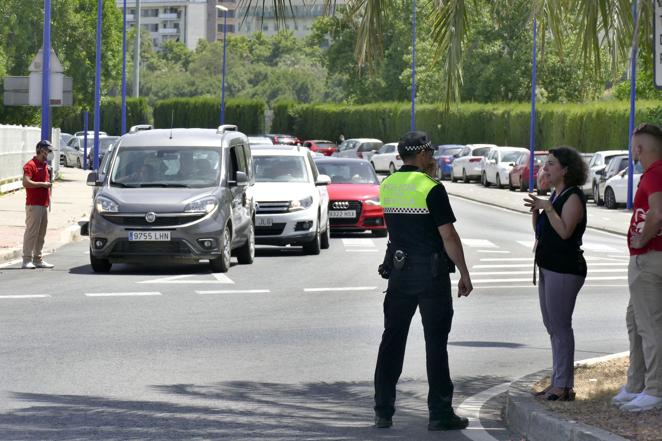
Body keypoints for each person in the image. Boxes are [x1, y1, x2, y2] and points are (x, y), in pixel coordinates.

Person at [373, 131, 473, 431]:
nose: (433, 158)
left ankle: (383, 410)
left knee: (392, 340)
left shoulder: (387, 185)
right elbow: (448, 236)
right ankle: (440, 413)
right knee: (435, 344)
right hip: (431, 276)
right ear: (420, 155)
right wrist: (465, 273)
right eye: (430, 153)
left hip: (399, 274)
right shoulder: (431, 188)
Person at [523, 147, 588, 401]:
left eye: (551, 164)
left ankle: (563, 386)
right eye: (544, 164)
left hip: (565, 268)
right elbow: (541, 232)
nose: (545, 168)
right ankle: (558, 382)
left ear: (566, 170)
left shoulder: (572, 197)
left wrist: (548, 207)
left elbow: (564, 232)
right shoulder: (555, 194)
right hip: (547, 266)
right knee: (552, 326)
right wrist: (537, 208)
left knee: (561, 327)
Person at [612, 123, 662, 412]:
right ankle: (636, 383)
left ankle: (653, 388)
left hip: (649, 258)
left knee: (649, 324)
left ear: (640, 148)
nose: (634, 151)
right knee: (636, 320)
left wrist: (642, 237)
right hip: (651, 259)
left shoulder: (654, 174)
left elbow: (658, 211)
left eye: (634, 146)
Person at [21, 140, 55, 269]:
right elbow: (26, 182)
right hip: (33, 204)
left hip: (43, 204)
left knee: (41, 233)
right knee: (32, 232)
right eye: (48, 150)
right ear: (41, 150)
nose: (50, 153)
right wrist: (42, 184)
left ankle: (38, 259)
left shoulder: (45, 165)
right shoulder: (31, 165)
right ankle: (26, 259)